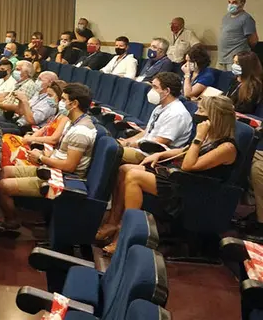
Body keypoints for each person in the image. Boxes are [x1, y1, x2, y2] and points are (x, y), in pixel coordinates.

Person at [97, 96, 238, 254]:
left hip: (193, 192)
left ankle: (124, 235)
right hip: (181, 180)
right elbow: (184, 150)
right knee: (124, 169)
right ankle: (113, 223)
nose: (197, 113)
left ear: (214, 116)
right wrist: (160, 155)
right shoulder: (210, 136)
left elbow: (188, 165)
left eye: (201, 110)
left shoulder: (227, 147)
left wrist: (198, 137)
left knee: (134, 177)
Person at [0, 83, 97, 228]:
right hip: (53, 166)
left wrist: (41, 158)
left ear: (74, 104)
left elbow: (69, 166)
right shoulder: (73, 122)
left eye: (64, 99)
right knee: (4, 171)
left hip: (62, 177)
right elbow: (62, 153)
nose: (60, 103)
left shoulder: (81, 131)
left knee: (3, 186)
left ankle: (11, 221)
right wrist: (44, 154)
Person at [118, 72, 193, 163]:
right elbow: (147, 133)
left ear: (167, 91)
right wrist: (126, 142)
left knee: (114, 152)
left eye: (155, 87)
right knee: (112, 145)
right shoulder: (159, 108)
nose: (152, 90)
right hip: (143, 150)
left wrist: (128, 144)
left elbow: (158, 142)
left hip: (156, 156)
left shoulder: (177, 114)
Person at [0, 80, 68, 167]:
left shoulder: (61, 114)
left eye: (50, 95)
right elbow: (45, 128)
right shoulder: (58, 113)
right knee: (5, 137)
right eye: (47, 95)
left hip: (42, 145)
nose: (48, 98)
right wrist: (31, 138)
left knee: (4, 139)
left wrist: (31, 139)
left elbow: (52, 138)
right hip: (33, 135)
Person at [219, 0, 258, 71]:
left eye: (234, 2)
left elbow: (253, 40)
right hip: (222, 58)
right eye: (229, 2)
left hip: (236, 59)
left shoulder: (246, 18)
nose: (230, 5)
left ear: (242, 4)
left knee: (235, 78)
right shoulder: (226, 17)